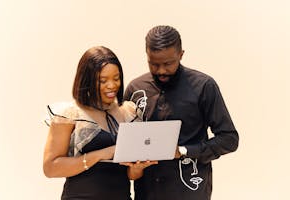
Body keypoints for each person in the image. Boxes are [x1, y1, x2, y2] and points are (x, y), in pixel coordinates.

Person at [123, 25, 239, 200]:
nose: (161, 70)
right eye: (153, 64)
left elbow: (229, 139)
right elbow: (125, 140)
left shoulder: (204, 86)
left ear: (181, 55)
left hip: (190, 191)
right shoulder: (135, 89)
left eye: (168, 63)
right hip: (147, 192)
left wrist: (184, 151)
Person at [43, 46, 139, 200]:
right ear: (87, 80)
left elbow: (131, 175)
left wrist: (138, 168)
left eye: (116, 78)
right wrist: (103, 153)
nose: (112, 85)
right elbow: (50, 168)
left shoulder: (127, 113)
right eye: (103, 80)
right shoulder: (69, 115)